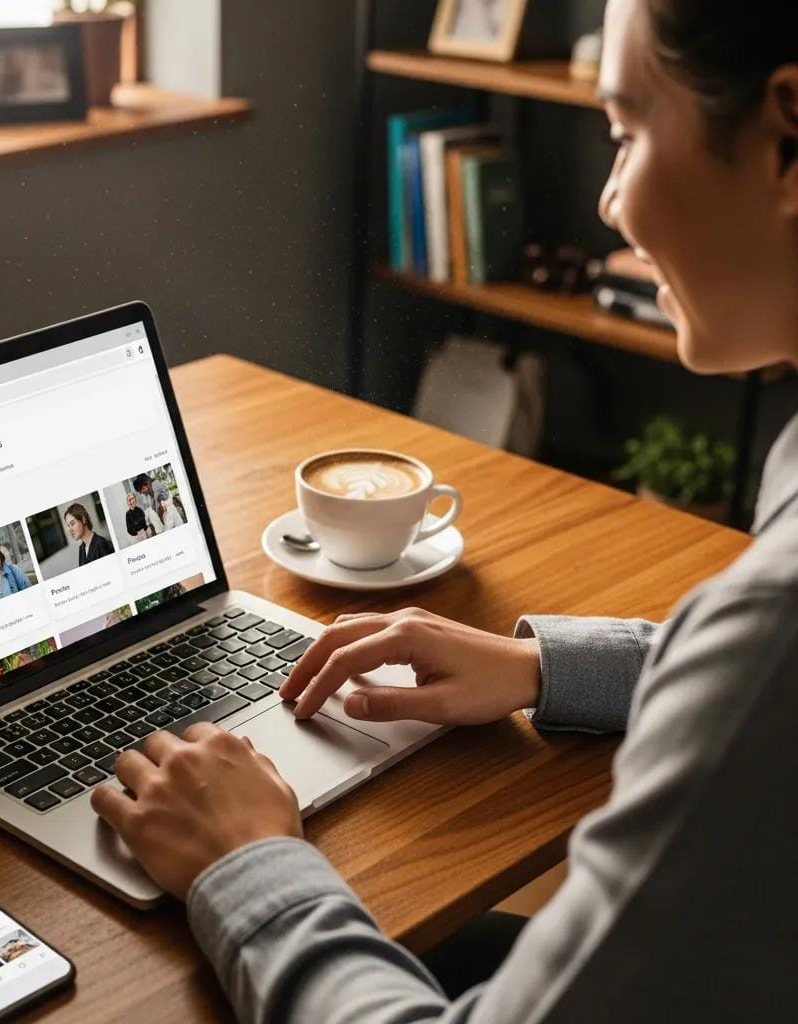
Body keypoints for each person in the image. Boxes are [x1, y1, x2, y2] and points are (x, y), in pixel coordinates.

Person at [91, 3, 798, 1020]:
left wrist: (246, 861)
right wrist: (541, 666)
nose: (608, 201)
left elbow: (762, 671)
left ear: (784, 138)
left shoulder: (772, 625)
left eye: (626, 131)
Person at [64, 501, 114, 566]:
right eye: (68, 525)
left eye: (72, 523)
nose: (69, 529)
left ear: (83, 520)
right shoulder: (82, 548)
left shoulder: (101, 545)